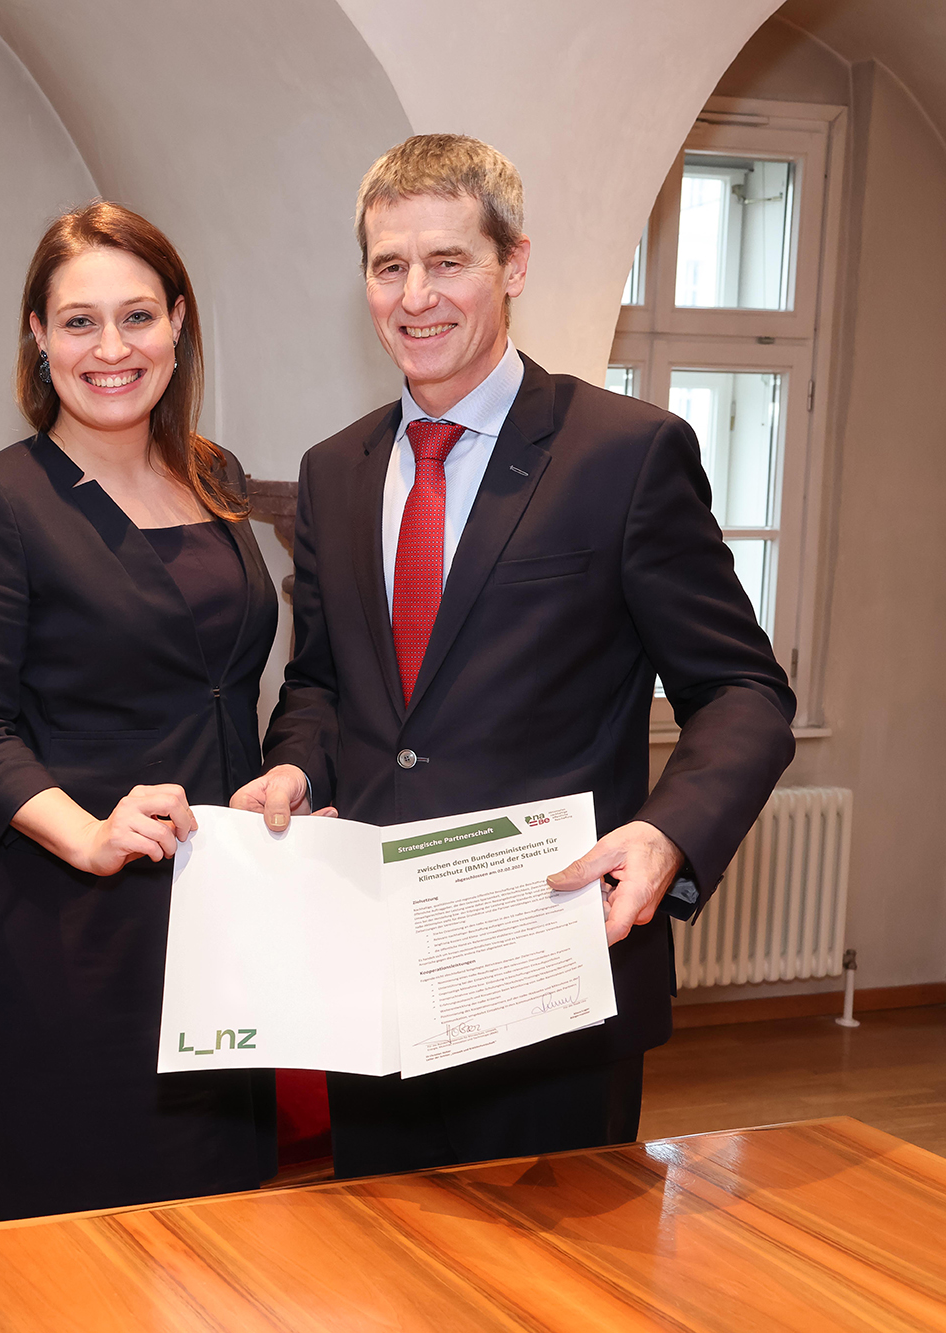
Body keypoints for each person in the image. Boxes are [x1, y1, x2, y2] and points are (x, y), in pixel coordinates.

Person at [234, 135, 796, 1176]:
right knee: (377, 1260)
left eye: (447, 261)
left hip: (552, 983)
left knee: (556, 1271)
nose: (415, 297)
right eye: (388, 266)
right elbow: (320, 681)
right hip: (372, 985)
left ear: (514, 265)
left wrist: (667, 834)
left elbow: (742, 690)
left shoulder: (624, 455)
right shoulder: (334, 471)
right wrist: (295, 765)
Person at [0, 201, 281, 1220]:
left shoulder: (214, 476)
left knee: (228, 1233)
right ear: (38, 337)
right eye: (79, 321)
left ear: (178, 322)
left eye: (137, 316)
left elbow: (232, 682)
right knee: (87, 1246)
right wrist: (86, 835)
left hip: (224, 911)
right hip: (77, 930)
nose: (112, 348)